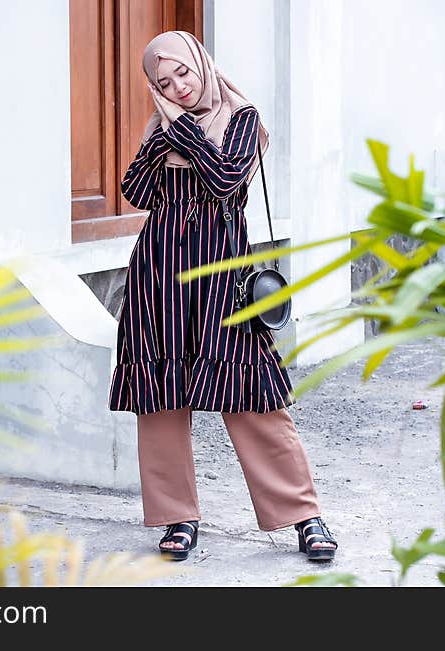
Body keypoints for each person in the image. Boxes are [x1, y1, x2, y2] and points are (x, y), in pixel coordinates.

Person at [108, 30, 337, 563]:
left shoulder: (241, 120)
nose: (178, 87)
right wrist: (166, 138)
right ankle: (177, 517)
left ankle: (304, 516)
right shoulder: (159, 130)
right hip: (159, 276)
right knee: (161, 398)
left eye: (183, 73)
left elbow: (226, 176)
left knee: (253, 394)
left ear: (201, 65)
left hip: (221, 279)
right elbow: (137, 192)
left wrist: (178, 133)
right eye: (163, 82)